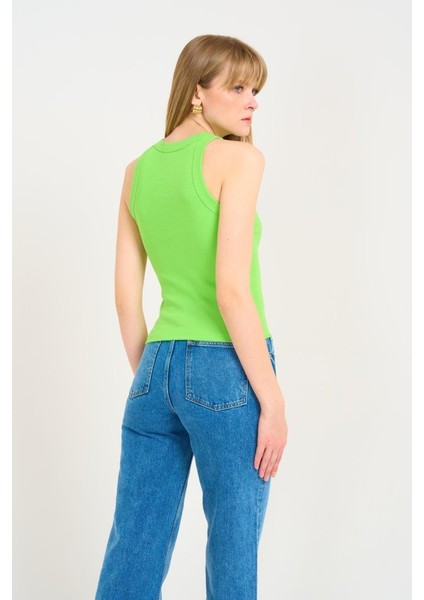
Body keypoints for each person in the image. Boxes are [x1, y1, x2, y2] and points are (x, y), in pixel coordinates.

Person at [94, 34, 288, 600]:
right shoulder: (239, 159)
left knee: (133, 546)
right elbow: (231, 291)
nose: (252, 101)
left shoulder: (137, 171)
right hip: (227, 369)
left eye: (255, 89)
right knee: (233, 547)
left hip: (154, 367)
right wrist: (273, 402)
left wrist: (154, 378)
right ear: (198, 92)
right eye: (238, 87)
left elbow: (125, 298)